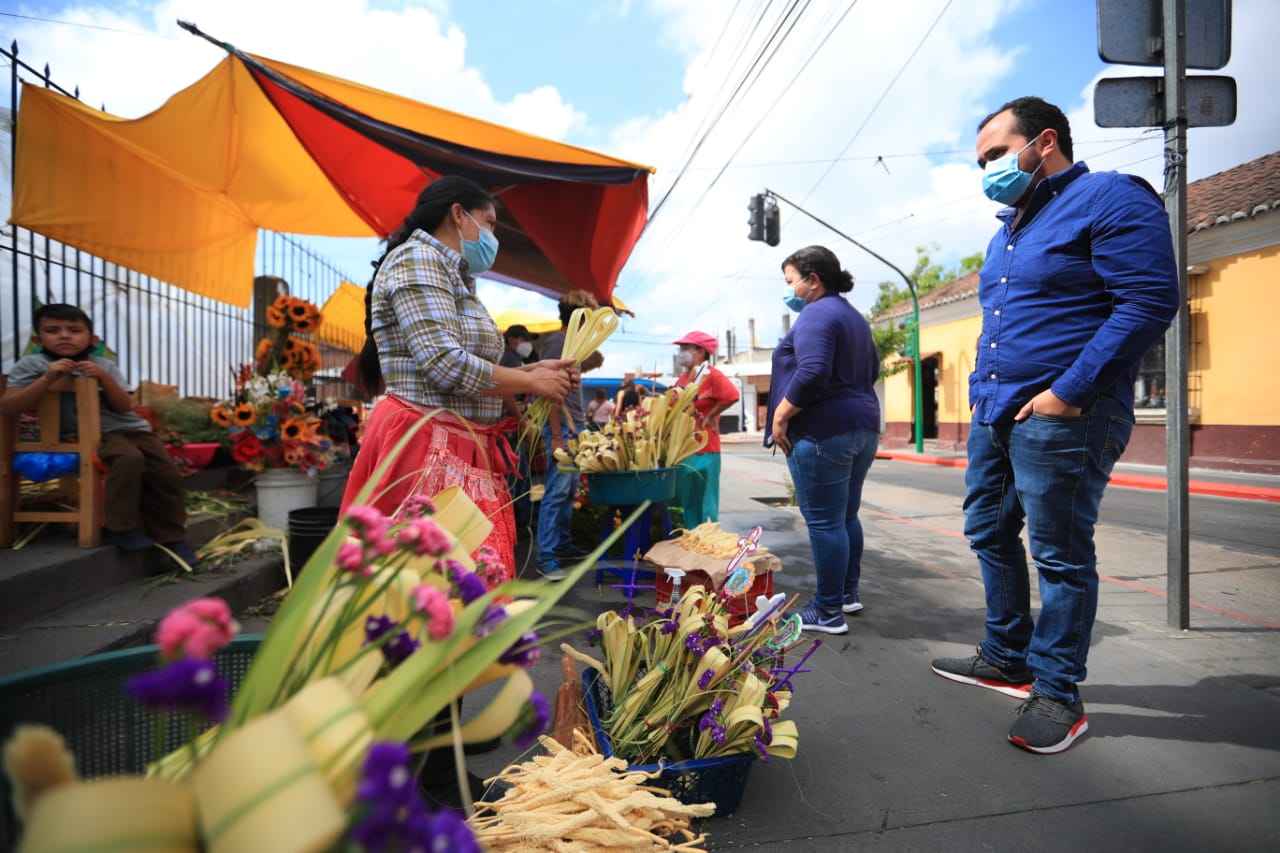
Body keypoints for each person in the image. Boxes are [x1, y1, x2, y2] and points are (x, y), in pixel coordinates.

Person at [929, 96, 1179, 755]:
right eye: (979, 161)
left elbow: (1149, 300)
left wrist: (1067, 391)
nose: (986, 168)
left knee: (1061, 554)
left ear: (1043, 141)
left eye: (994, 154)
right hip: (996, 411)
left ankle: (1059, 693)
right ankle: (1007, 654)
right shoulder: (1008, 227)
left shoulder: (1110, 198)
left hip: (1068, 413)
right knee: (986, 528)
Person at [343, 175, 577, 582]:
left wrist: (533, 372)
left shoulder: (454, 275)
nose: (490, 236)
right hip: (425, 443)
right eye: (487, 223)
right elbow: (446, 365)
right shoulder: (419, 260)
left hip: (456, 442)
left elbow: (463, 362)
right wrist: (530, 383)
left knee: (462, 587)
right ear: (458, 214)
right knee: (430, 589)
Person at [1, 303, 196, 563]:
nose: (64, 335)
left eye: (74, 330)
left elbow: (125, 406)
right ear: (38, 338)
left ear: (92, 338)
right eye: (53, 330)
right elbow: (8, 407)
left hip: (132, 429)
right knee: (128, 459)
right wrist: (47, 379)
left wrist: (104, 378)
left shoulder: (104, 365)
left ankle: (173, 538)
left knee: (167, 473)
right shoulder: (31, 365)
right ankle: (118, 528)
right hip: (88, 434)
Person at [765, 246, 880, 637]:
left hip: (822, 430)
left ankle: (828, 611)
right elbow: (873, 370)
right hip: (862, 426)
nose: (789, 289)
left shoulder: (816, 312)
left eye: (790, 280)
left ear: (813, 280)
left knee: (824, 523)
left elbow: (813, 370)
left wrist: (781, 413)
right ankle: (847, 593)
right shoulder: (852, 316)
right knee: (846, 517)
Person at [535, 290, 604, 580]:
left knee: (569, 492)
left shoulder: (573, 345)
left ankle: (562, 544)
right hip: (562, 428)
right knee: (556, 492)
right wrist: (556, 434)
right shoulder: (557, 343)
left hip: (575, 426)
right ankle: (546, 556)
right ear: (576, 318)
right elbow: (548, 392)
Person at [671, 330, 738, 525]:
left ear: (700, 352)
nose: (681, 352)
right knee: (685, 499)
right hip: (683, 447)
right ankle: (687, 538)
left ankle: (707, 541)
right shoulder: (684, 378)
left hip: (705, 447)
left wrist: (711, 415)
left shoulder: (712, 375)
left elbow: (731, 395)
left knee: (704, 500)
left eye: (685, 348)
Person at [499, 324, 538, 529]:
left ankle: (518, 524)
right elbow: (506, 392)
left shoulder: (513, 358)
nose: (527, 344)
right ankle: (511, 525)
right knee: (514, 476)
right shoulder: (509, 358)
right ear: (512, 339)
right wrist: (521, 420)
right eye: (524, 339)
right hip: (509, 425)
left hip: (513, 422)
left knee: (519, 474)